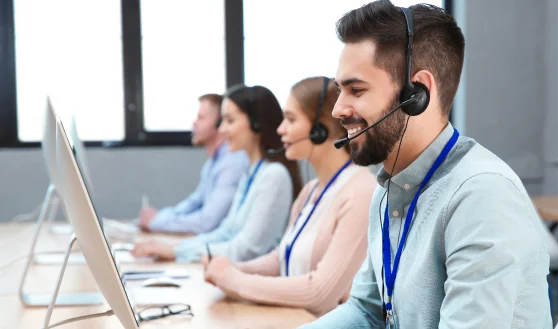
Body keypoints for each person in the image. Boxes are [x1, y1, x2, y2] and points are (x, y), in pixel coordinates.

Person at [301, 2, 551, 329]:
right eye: (340, 91)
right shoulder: (389, 190)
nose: (338, 110)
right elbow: (366, 311)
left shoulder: (481, 196)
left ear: (417, 92)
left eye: (356, 90)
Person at [201, 77, 376, 316]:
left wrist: (235, 280)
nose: (280, 129)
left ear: (319, 129)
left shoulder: (361, 191)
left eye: (291, 119)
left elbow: (321, 294)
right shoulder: (310, 191)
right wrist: (232, 268)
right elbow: (282, 258)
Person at [132, 85, 302, 263]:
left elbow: (246, 251)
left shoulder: (274, 176)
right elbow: (225, 232)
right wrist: (175, 247)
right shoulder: (251, 173)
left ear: (256, 124)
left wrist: (177, 252)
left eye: (230, 121)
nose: (221, 130)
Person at [138, 94, 248, 234]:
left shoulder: (232, 163)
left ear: (219, 124)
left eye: (201, 118)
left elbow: (207, 222)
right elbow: (194, 203)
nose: (194, 123)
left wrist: (157, 222)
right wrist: (159, 217)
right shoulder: (212, 163)